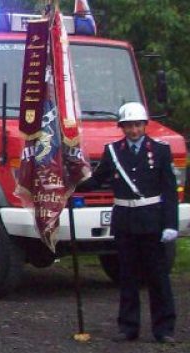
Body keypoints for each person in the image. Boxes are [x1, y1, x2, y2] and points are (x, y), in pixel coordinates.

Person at [80, 102, 178, 344]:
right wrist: (72, 183)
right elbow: (97, 180)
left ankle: (164, 328)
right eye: (128, 126)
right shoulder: (113, 151)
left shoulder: (160, 151)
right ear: (122, 127)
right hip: (125, 222)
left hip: (152, 222)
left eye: (137, 125)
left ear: (144, 126)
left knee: (158, 278)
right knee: (127, 277)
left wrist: (170, 224)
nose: (133, 131)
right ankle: (128, 327)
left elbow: (170, 190)